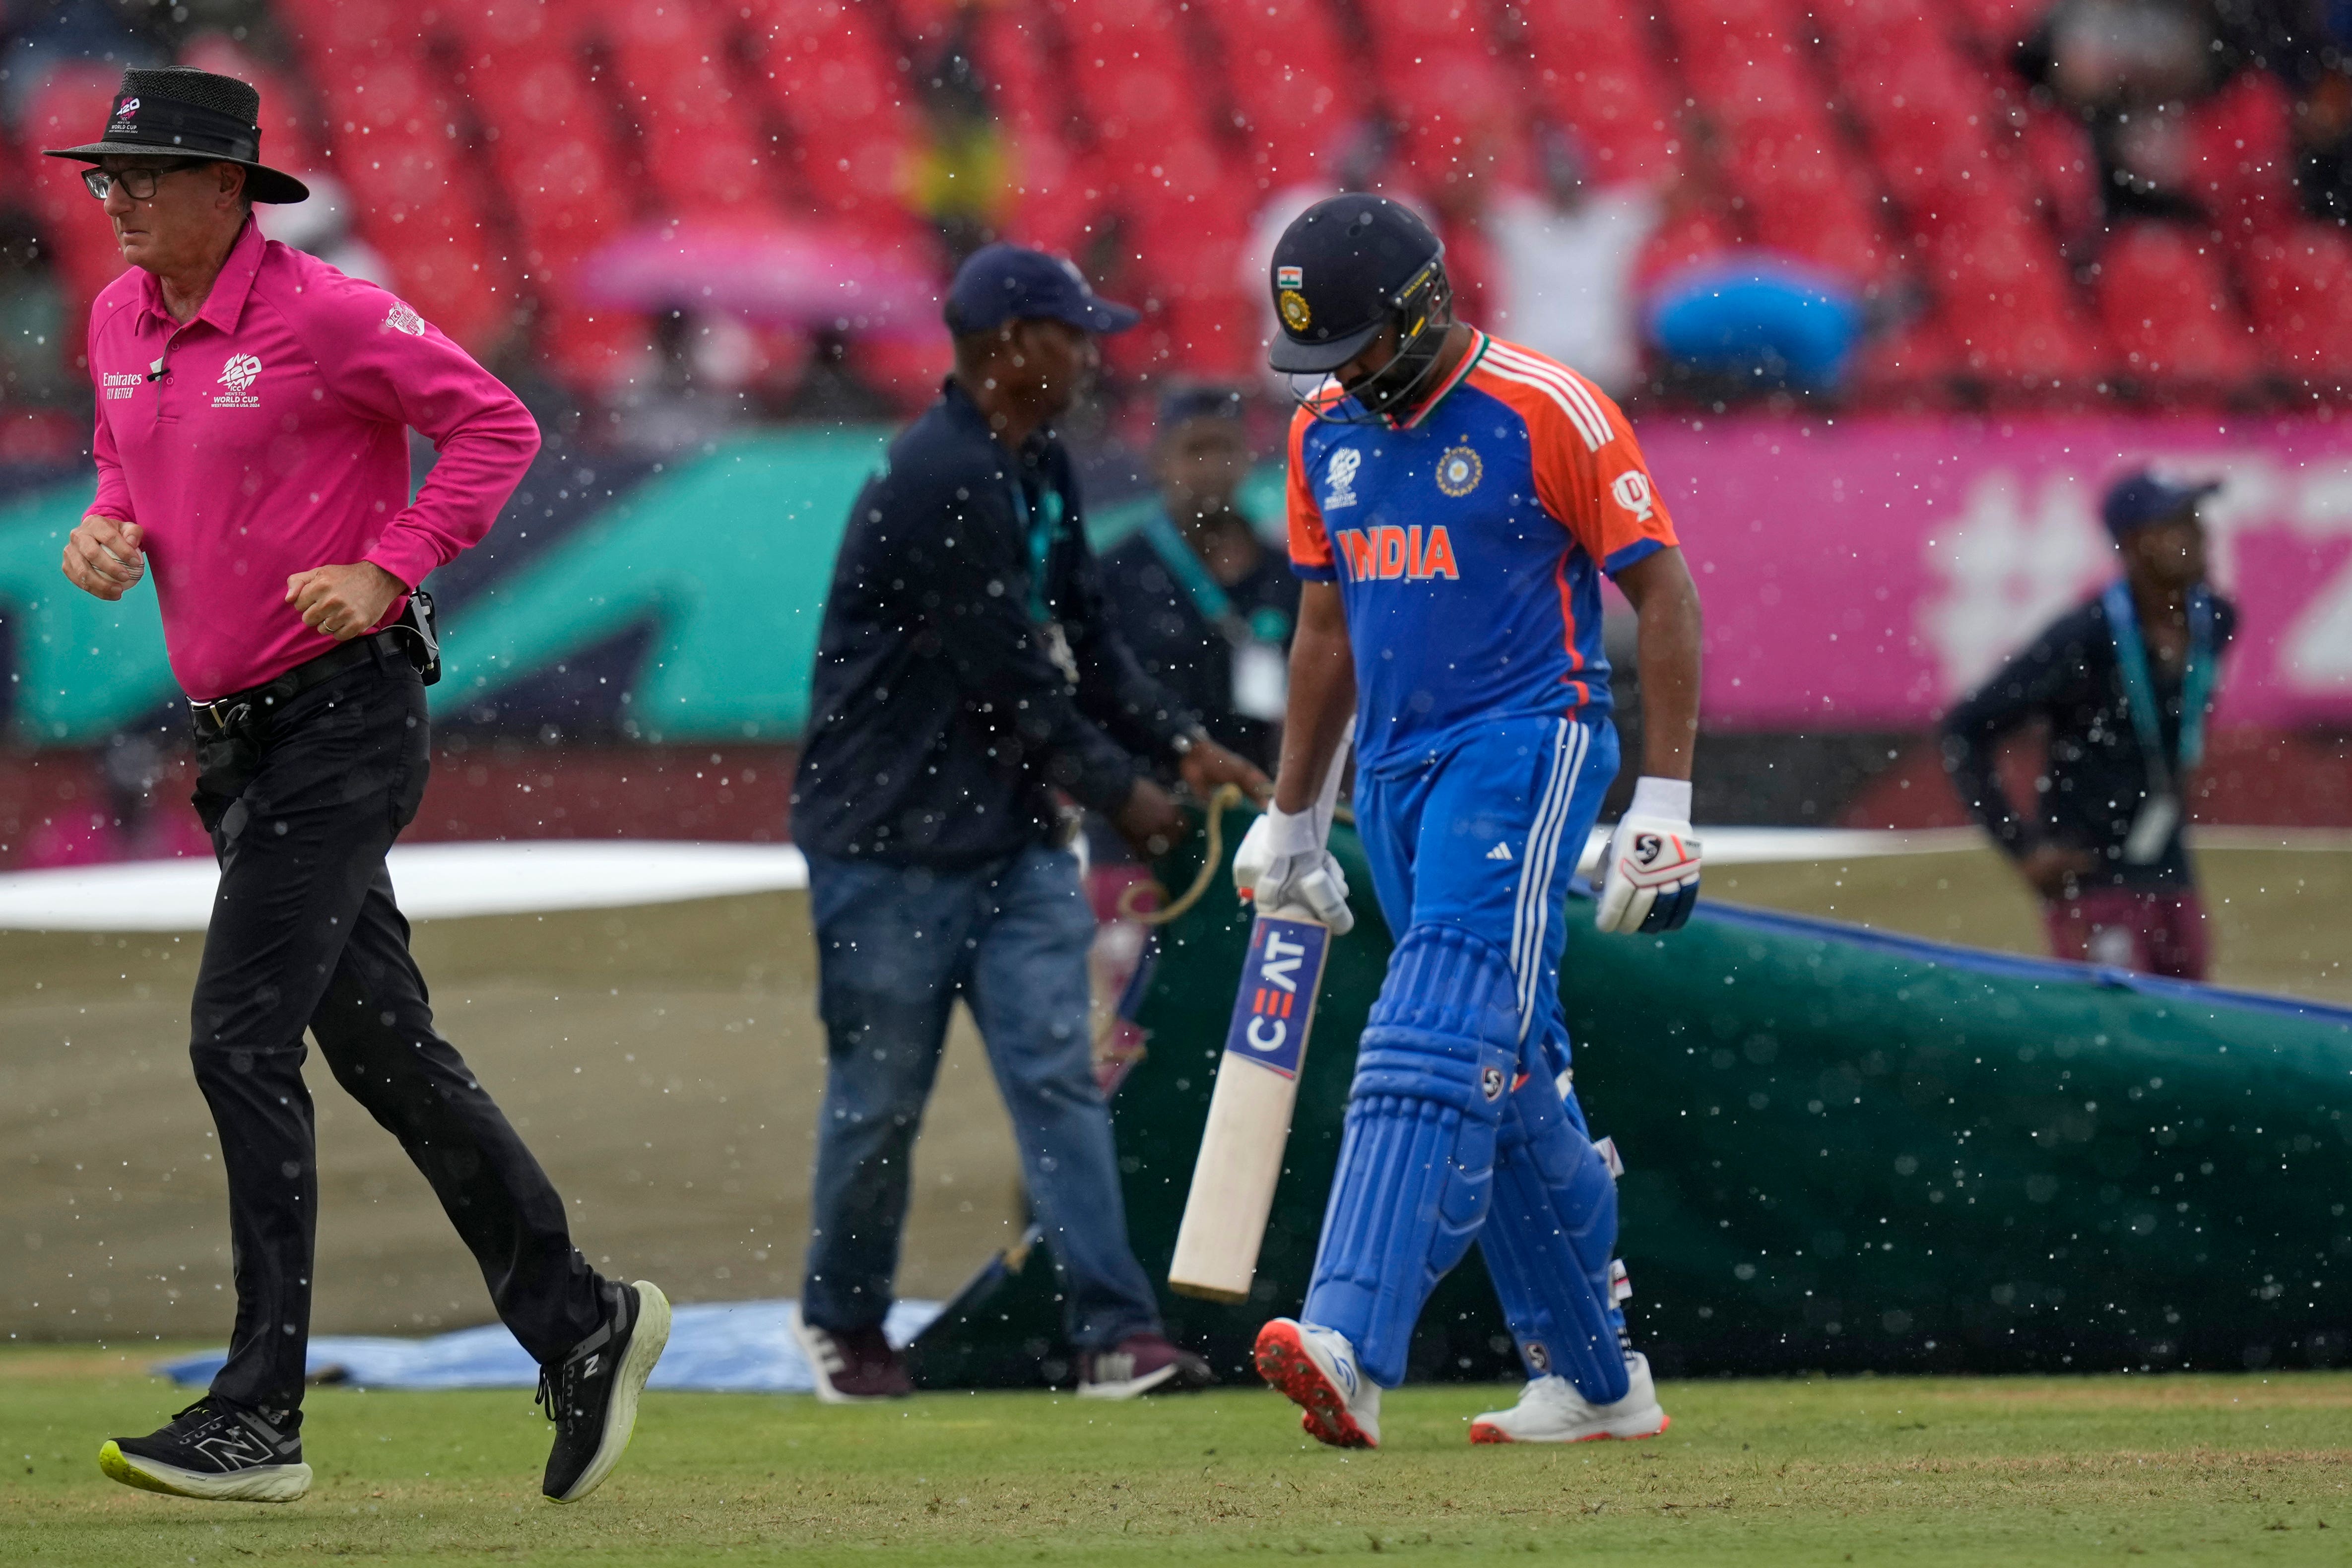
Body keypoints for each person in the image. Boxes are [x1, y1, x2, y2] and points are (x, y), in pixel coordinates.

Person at [50, 67, 667, 1506]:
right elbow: (124, 456)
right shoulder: (116, 317)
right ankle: (580, 1319)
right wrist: (105, 521)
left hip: (343, 722)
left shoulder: (324, 313)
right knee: (386, 1055)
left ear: (227, 191)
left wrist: (390, 561)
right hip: (239, 743)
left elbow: (498, 426)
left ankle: (260, 1411)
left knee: (237, 1041)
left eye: (144, 178)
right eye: (106, 179)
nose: (118, 201)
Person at [1238, 194, 1705, 1448]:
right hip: (1391, 772)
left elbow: (1659, 588)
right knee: (1507, 1068)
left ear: (1427, 306)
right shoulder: (1323, 430)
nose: (1349, 383)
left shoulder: (1546, 405)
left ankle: (1348, 1333)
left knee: (1437, 1013)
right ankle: (1599, 1380)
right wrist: (1293, 815)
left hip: (1525, 740)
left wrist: (1664, 802)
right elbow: (1326, 628)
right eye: (1323, 362)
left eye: (1361, 350)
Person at [789, 244, 1271, 1402]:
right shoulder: (938, 474)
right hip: (888, 844)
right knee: (883, 1096)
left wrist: (1176, 745)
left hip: (1007, 838)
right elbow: (1009, 683)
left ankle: (1114, 1329)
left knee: (1057, 1077)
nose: (1090, 353)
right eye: (1072, 333)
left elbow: (1085, 640)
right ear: (1010, 347)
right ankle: (843, 1319)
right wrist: (1129, 795)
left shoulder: (1037, 459)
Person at [1941, 468, 2237, 979]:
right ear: (2132, 544)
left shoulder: (2215, 621)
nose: (2199, 535)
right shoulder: (2086, 637)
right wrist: (2021, 845)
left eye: (2197, 519)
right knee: (2119, 1039)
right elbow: (1965, 729)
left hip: (2169, 868)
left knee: (2190, 1031)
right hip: (2091, 875)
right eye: (2178, 524)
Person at [1097, 385, 1301, 772]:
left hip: (1255, 797)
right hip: (1153, 800)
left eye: (1226, 449)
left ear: (1248, 458)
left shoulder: (1285, 573)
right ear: (1160, 461)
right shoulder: (1116, 573)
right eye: (1196, 450)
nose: (1212, 466)